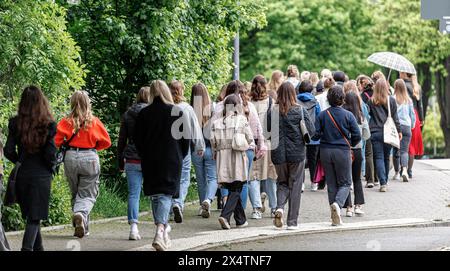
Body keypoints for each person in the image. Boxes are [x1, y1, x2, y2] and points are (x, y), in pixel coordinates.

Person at [134, 80, 190, 251]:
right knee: (166, 194)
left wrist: (145, 154)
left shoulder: (144, 113)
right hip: (172, 159)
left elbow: (137, 139)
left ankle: (163, 231)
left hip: (150, 159)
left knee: (156, 195)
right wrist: (180, 155)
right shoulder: (177, 112)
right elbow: (185, 140)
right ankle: (160, 230)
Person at [4, 86, 57, 251]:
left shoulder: (15, 123)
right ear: (41, 102)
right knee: (34, 218)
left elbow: (8, 150)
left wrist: (19, 160)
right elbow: (50, 154)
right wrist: (52, 167)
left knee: (33, 216)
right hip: (41, 176)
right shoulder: (48, 125)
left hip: (22, 175)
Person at [55, 91, 111, 238]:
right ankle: (80, 215)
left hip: (71, 158)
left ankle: (82, 226)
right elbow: (106, 142)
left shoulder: (65, 122)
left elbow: (56, 141)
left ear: (72, 103)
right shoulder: (94, 122)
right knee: (88, 193)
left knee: (76, 193)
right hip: (90, 157)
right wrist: (93, 147)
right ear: (88, 103)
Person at [212, 80, 266, 213]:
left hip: (224, 149)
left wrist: (215, 149)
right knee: (243, 180)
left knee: (226, 179)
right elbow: (257, 128)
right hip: (245, 148)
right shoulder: (249, 106)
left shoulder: (219, 106)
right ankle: (239, 211)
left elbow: (213, 130)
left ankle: (228, 208)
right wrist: (260, 145)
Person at [313, 85, 361, 226]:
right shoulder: (348, 115)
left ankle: (334, 213)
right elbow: (357, 135)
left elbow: (316, 135)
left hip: (325, 151)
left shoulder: (322, 115)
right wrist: (350, 143)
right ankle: (338, 205)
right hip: (342, 151)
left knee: (332, 183)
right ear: (342, 98)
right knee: (346, 182)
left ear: (328, 99)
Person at [271, 82, 315, 230]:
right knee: (295, 184)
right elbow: (311, 131)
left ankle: (279, 207)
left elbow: (266, 133)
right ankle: (292, 222)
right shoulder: (300, 110)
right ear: (293, 93)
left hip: (278, 154)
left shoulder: (272, 111)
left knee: (282, 182)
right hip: (297, 153)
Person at [211, 94, 255, 230]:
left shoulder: (216, 123)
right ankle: (225, 215)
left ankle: (240, 220)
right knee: (237, 186)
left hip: (222, 157)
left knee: (232, 188)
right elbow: (250, 138)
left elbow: (213, 143)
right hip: (236, 156)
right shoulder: (241, 120)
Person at [168, 80, 205, 223]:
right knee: (183, 178)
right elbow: (195, 128)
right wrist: (199, 146)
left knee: (171, 177)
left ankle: (170, 208)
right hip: (183, 148)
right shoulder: (187, 108)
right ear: (182, 91)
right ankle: (177, 203)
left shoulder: (166, 107)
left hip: (167, 148)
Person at [117, 86, 150, 240]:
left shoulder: (128, 114)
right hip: (150, 159)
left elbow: (122, 140)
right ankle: (161, 227)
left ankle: (133, 228)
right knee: (156, 194)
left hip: (131, 158)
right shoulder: (152, 113)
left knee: (133, 194)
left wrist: (120, 161)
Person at [249, 75, 278, 218]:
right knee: (270, 176)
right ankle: (274, 207)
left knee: (253, 177)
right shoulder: (271, 102)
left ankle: (256, 208)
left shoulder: (247, 103)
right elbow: (275, 127)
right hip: (268, 143)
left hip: (251, 143)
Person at [367, 79, 402, 192]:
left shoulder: (371, 101)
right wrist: (399, 131)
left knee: (378, 157)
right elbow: (395, 118)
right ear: (386, 87)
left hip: (375, 132)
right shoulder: (391, 100)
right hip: (388, 132)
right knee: (386, 157)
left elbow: (369, 116)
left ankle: (382, 183)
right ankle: (384, 181)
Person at [190, 83, 218, 218]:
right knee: (213, 178)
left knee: (201, 179)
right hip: (210, 148)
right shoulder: (213, 108)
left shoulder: (190, 109)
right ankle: (208, 200)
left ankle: (202, 205)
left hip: (196, 149)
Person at [342, 92, 370, 217]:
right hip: (358, 149)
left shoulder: (343, 116)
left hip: (345, 150)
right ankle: (358, 205)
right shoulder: (361, 116)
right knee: (357, 179)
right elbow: (366, 135)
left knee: (346, 179)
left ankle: (348, 208)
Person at [297, 80, 321, 191]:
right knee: (313, 160)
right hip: (313, 135)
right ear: (311, 90)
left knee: (301, 159)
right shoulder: (315, 102)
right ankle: (313, 182)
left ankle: (301, 183)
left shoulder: (295, 101)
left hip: (299, 134)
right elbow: (319, 117)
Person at [400, 73, 424, 178]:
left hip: (404, 114)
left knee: (404, 145)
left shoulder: (402, 85)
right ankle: (409, 171)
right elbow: (420, 105)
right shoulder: (417, 87)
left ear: (404, 73)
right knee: (412, 145)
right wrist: (422, 118)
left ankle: (403, 169)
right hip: (415, 116)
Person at [357, 75, 378, 188]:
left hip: (368, 127)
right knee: (375, 154)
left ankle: (369, 179)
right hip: (378, 127)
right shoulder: (377, 94)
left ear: (361, 84)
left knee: (367, 153)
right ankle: (376, 178)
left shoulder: (362, 97)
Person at [392, 79, 416, 182]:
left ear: (395, 87)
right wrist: (412, 125)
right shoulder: (408, 100)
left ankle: (397, 172)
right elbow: (412, 115)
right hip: (407, 126)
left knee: (396, 150)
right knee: (404, 151)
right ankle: (405, 170)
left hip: (396, 127)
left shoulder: (392, 99)